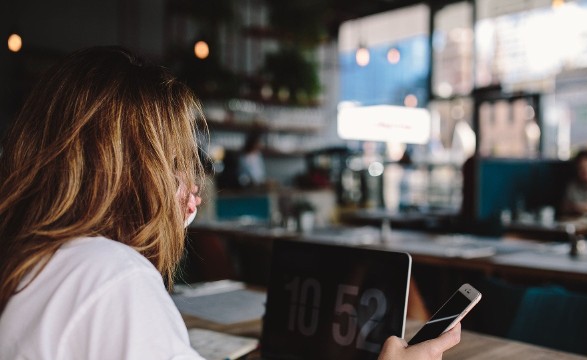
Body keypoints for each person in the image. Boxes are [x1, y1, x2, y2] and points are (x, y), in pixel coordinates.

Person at [0, 46, 460, 359]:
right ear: (137, 172)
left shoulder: (28, 260)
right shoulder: (108, 275)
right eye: (177, 160)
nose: (191, 185)